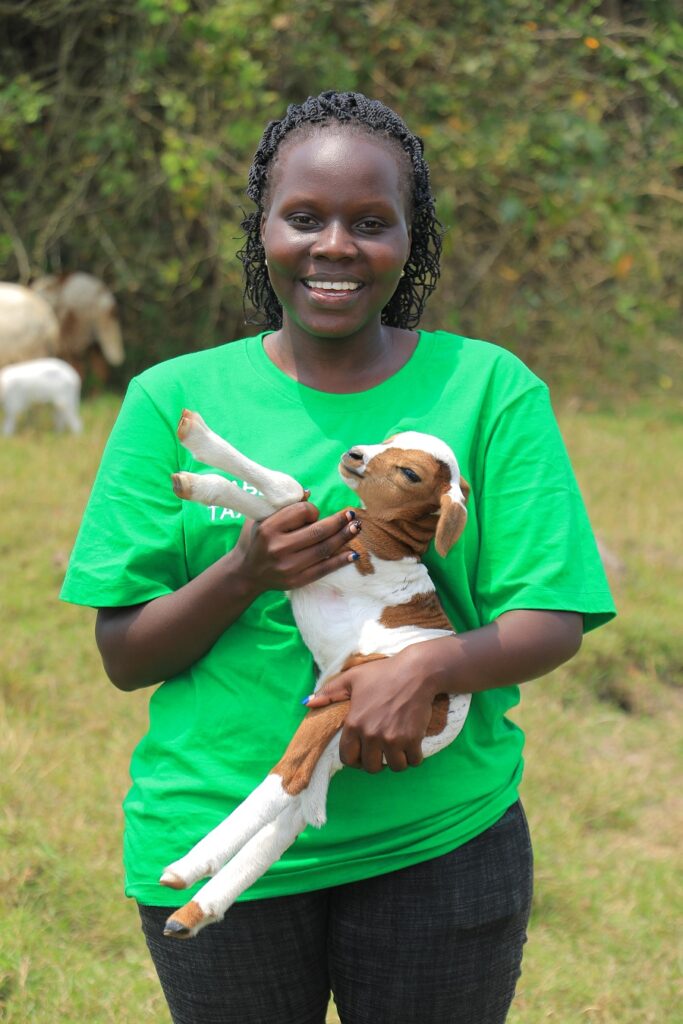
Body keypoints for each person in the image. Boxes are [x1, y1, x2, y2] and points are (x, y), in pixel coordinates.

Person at [60, 91, 616, 1024]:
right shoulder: (170, 399)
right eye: (304, 218)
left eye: (369, 222)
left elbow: (551, 615)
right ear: (263, 229)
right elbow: (125, 655)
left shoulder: (489, 388)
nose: (334, 247)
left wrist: (426, 668)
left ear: (409, 237)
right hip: (212, 827)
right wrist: (246, 571)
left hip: (437, 843)